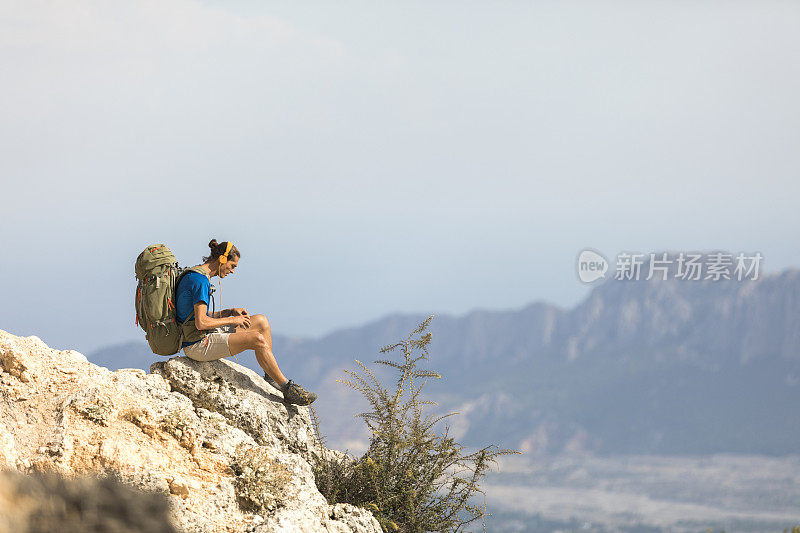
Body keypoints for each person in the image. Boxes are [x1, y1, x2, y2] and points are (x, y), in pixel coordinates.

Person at [175, 239, 317, 406]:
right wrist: (232, 320)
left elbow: (196, 315)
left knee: (261, 322)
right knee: (257, 339)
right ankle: (286, 388)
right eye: (232, 265)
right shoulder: (200, 281)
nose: (233, 271)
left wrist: (228, 312)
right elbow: (201, 323)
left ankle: (270, 377)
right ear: (222, 259)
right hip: (197, 344)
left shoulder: (196, 275)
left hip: (203, 334)